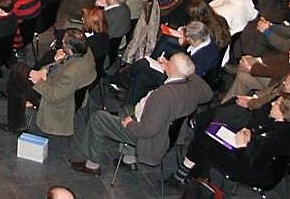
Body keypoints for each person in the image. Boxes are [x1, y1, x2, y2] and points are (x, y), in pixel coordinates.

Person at [71, 53, 212, 173]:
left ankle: (91, 165)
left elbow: (148, 130)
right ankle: (129, 158)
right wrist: (185, 72)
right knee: (127, 108)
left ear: (172, 69)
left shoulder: (163, 96)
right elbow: (209, 94)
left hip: (150, 139)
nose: (165, 62)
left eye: (169, 62)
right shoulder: (193, 87)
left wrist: (130, 124)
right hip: (169, 133)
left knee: (98, 118)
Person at [168, 93, 290, 189]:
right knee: (208, 132)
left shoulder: (276, 139)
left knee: (205, 139)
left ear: (282, 112)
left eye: (277, 103)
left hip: (249, 170)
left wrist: (242, 146)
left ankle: (187, 173)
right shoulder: (280, 124)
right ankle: (196, 175)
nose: (272, 103)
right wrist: (248, 133)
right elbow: (259, 134)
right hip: (249, 151)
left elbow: (253, 166)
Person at [2, 28, 96, 135]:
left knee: (17, 73)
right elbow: (64, 67)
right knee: (19, 75)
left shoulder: (70, 73)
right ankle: (16, 121)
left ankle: (16, 125)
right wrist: (50, 67)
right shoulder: (86, 52)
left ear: (70, 49)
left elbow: (54, 96)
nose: (61, 43)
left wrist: (38, 81)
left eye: (64, 43)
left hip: (54, 101)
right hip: (65, 89)